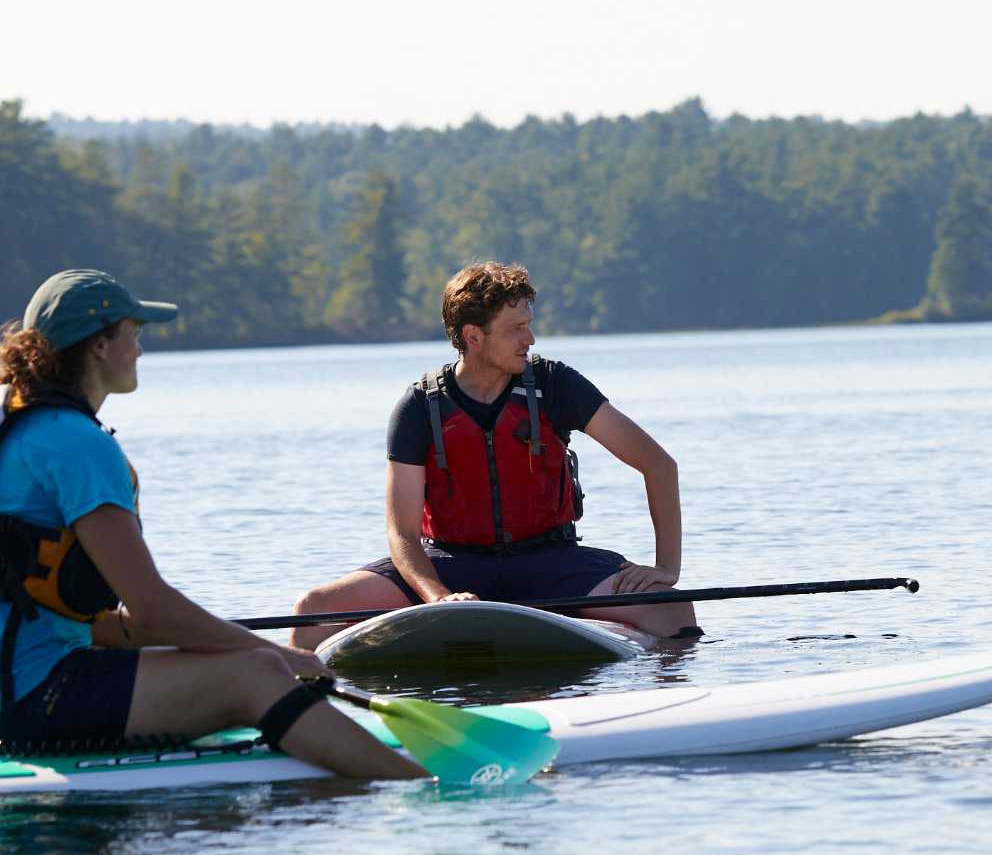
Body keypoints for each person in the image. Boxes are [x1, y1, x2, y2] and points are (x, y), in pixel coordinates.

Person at [0, 269, 424, 779]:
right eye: (133, 333)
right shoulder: (74, 443)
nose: (139, 349)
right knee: (256, 675)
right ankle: (416, 786)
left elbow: (103, 623)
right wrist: (280, 656)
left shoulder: (17, 424)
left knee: (227, 661)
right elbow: (153, 610)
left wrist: (207, 644)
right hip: (30, 705)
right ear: (98, 344)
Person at [287, 261, 696, 648]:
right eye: (516, 329)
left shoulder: (557, 385)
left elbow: (658, 464)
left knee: (672, 608)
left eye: (529, 326)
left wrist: (666, 568)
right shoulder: (418, 407)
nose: (530, 339)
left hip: (552, 562)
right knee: (313, 611)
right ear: (474, 336)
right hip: (452, 565)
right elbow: (403, 534)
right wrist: (438, 597)